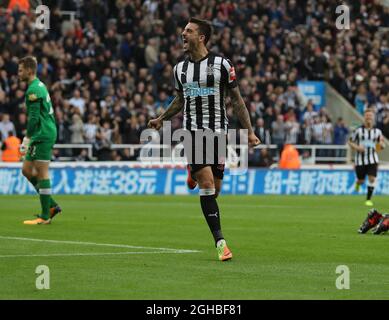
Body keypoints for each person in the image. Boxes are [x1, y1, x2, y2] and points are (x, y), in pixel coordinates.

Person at [148, 18, 260, 261]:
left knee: (215, 190)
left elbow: (237, 99)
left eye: (188, 31)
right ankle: (221, 243)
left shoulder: (222, 64)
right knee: (207, 184)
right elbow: (179, 100)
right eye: (183, 30)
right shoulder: (179, 69)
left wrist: (249, 131)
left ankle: (192, 171)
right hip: (193, 133)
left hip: (219, 131)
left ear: (202, 37)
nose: (182, 34)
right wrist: (161, 118)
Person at [17, 56, 61, 225]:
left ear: (29, 70)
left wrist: (27, 139)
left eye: (20, 70)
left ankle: (45, 216)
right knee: (27, 170)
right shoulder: (39, 85)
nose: (18, 73)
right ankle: (51, 205)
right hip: (41, 132)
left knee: (42, 173)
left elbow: (34, 118)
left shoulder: (33, 90)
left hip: (42, 134)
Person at [348, 108, 385, 207]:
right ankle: (358, 183)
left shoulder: (377, 132)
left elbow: (381, 144)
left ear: (373, 118)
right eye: (367, 116)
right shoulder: (358, 130)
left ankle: (368, 199)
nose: (368, 117)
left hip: (373, 158)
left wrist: (381, 146)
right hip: (360, 160)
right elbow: (350, 141)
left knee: (372, 178)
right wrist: (357, 147)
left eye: (370, 116)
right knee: (361, 180)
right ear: (364, 117)